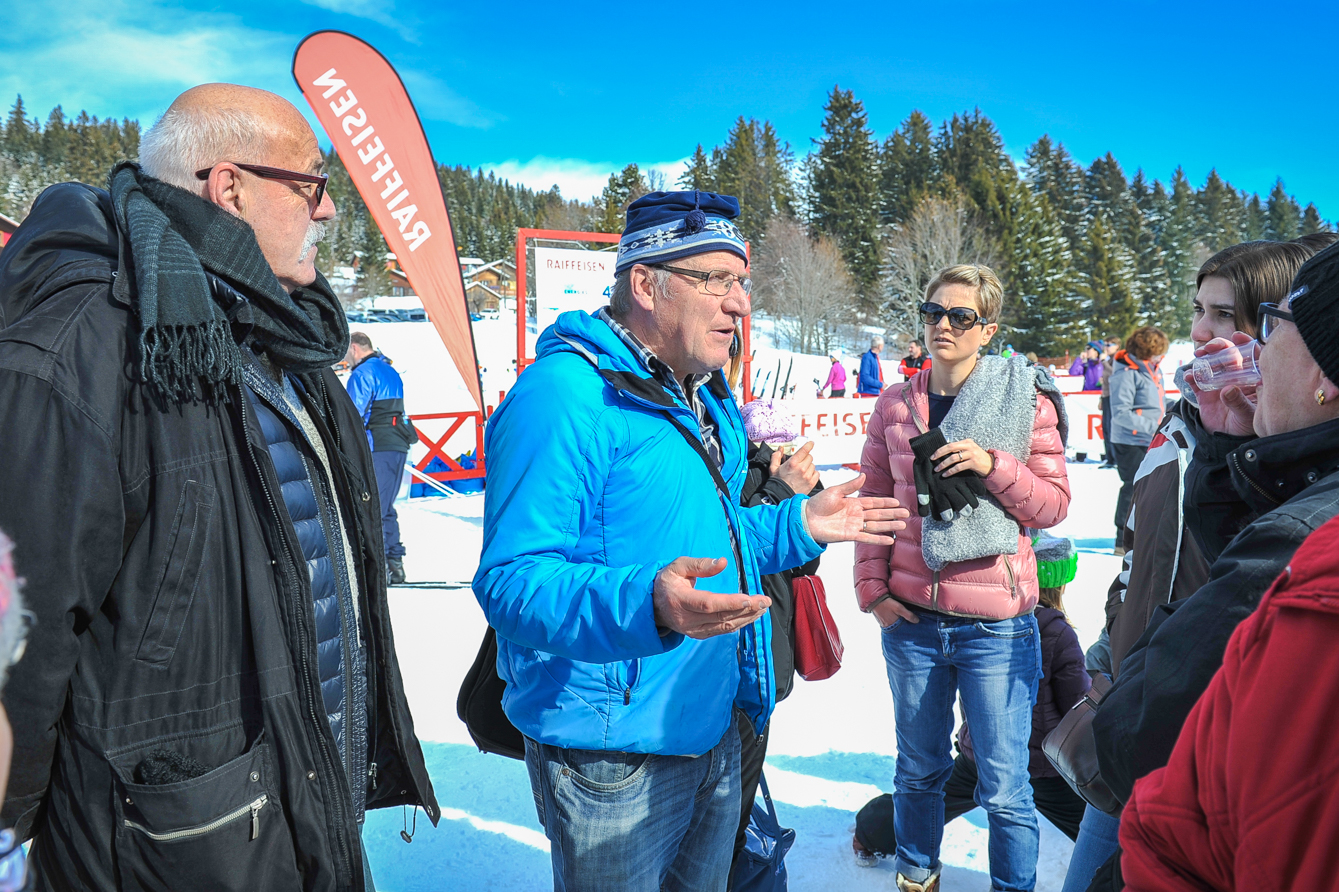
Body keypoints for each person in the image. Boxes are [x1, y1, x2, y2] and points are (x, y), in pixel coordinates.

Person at [0, 84, 436, 890]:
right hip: (169, 848)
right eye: (310, 183)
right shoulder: (86, 348)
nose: (328, 209)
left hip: (305, 810)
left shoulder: (288, 340)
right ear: (229, 188)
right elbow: (17, 645)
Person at [473, 189, 908, 892]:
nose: (740, 304)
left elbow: (712, 536)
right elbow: (512, 580)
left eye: (742, 282)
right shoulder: (563, 396)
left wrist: (797, 523)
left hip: (711, 719)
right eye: (715, 280)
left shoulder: (698, 396)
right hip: (613, 752)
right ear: (646, 285)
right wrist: (649, 602)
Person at [1061, 236, 1335, 892]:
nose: (1201, 331)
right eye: (1197, 309)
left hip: (1178, 741)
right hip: (1136, 689)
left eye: (1228, 315)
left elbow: (1235, 587)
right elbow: (1142, 556)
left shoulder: (1295, 505)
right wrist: (1111, 643)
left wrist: (1245, 449)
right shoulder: (1184, 427)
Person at [855, 264, 1071, 892]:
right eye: (933, 312)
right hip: (913, 622)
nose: (943, 325)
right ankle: (917, 879)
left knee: (1004, 785)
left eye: (960, 316)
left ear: (988, 329)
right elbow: (874, 500)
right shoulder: (895, 404)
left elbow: (1054, 506)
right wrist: (873, 591)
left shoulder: (1024, 401)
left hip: (997, 629)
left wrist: (992, 463)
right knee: (918, 771)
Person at [1118, 511, 1339, 891]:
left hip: (1151, 736)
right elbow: (1131, 560)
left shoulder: (1298, 544)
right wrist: (1119, 633)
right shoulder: (1306, 577)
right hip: (1141, 736)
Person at [852, 534, 1088, 865]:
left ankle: (871, 832)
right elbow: (1076, 704)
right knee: (1098, 830)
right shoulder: (1058, 632)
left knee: (927, 797)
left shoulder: (986, 620)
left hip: (977, 752)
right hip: (1044, 766)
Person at [730, 438, 821, 885]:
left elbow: (806, 564)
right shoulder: (728, 467)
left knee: (731, 821)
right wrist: (779, 494)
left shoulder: (751, 458)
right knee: (711, 829)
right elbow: (718, 557)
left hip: (762, 665)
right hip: (724, 670)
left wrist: (804, 502)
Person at [344, 331, 415, 585]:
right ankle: (394, 563)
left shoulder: (363, 373)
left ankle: (378, 568)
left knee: (372, 507)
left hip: (378, 445)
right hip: (398, 444)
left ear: (354, 348)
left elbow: (352, 414)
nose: (345, 358)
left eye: (346, 352)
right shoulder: (390, 370)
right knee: (385, 507)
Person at [1107, 327, 1168, 555]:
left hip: (1149, 438)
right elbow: (1121, 413)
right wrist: (1154, 426)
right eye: (1157, 352)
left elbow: (1156, 404)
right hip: (1130, 441)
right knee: (1133, 488)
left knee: (1151, 488)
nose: (1160, 357)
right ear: (1147, 351)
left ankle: (1143, 535)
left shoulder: (1152, 370)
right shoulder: (1126, 373)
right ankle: (1122, 539)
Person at [1099, 337, 1121, 466]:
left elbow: (1114, 374)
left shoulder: (1118, 360)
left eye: (1109, 345)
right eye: (1105, 345)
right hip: (1107, 396)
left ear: (1117, 346)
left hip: (1114, 397)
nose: (1106, 347)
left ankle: (1114, 458)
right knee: (1106, 428)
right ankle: (1110, 458)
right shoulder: (1109, 360)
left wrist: (1103, 362)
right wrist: (1101, 398)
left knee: (1112, 428)